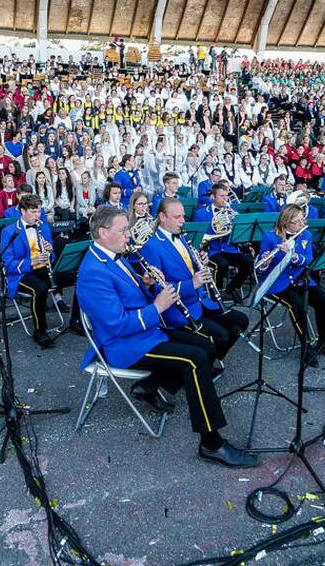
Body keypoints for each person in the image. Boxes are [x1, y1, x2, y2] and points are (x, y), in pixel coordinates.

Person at [77, 205, 258, 468]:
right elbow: (117, 325)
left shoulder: (112, 254)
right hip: (126, 345)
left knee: (206, 347)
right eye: (124, 230)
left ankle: (150, 386)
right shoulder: (93, 271)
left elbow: (132, 295)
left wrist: (148, 284)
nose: (129, 235)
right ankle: (212, 444)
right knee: (195, 360)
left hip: (147, 332)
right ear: (104, 232)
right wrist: (158, 306)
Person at [140, 196, 248, 369]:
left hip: (200, 300)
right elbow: (158, 289)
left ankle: (205, 363)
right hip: (179, 309)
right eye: (177, 217)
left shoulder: (181, 236)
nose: (183, 221)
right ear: (162, 217)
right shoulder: (151, 246)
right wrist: (193, 283)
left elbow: (188, 266)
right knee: (222, 335)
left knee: (241, 321)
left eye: (183, 216)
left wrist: (200, 262)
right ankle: (199, 366)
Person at [254, 203, 325, 366]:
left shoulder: (306, 235)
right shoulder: (270, 237)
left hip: (300, 278)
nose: (301, 224)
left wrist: (294, 256)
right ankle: (306, 346)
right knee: (297, 306)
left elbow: (309, 259)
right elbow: (261, 270)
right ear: (285, 223)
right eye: (296, 222)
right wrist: (265, 262)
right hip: (277, 282)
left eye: (302, 220)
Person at [0, 194, 79, 348]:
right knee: (40, 289)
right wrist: (32, 262)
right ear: (23, 211)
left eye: (39, 212)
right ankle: (40, 331)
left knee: (77, 276)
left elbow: (52, 256)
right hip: (21, 273)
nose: (38, 216)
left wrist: (51, 251)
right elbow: (7, 264)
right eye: (34, 211)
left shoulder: (42, 226)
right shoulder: (9, 232)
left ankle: (76, 321)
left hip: (43, 268)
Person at [194, 182, 252, 302]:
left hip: (229, 248)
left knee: (248, 262)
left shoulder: (231, 212)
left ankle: (230, 289)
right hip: (212, 250)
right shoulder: (201, 213)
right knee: (222, 264)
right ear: (213, 197)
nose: (225, 199)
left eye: (226, 196)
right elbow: (198, 235)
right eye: (221, 196)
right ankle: (216, 293)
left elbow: (238, 233)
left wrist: (236, 222)